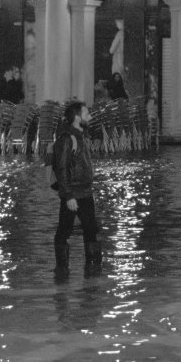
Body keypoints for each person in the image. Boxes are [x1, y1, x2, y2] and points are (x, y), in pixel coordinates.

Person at [51, 100, 101, 281]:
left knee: (91, 230)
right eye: (87, 113)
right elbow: (61, 169)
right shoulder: (67, 139)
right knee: (64, 231)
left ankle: (93, 272)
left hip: (86, 193)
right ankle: (62, 273)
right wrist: (68, 196)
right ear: (77, 117)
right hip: (72, 195)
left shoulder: (80, 136)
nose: (91, 116)